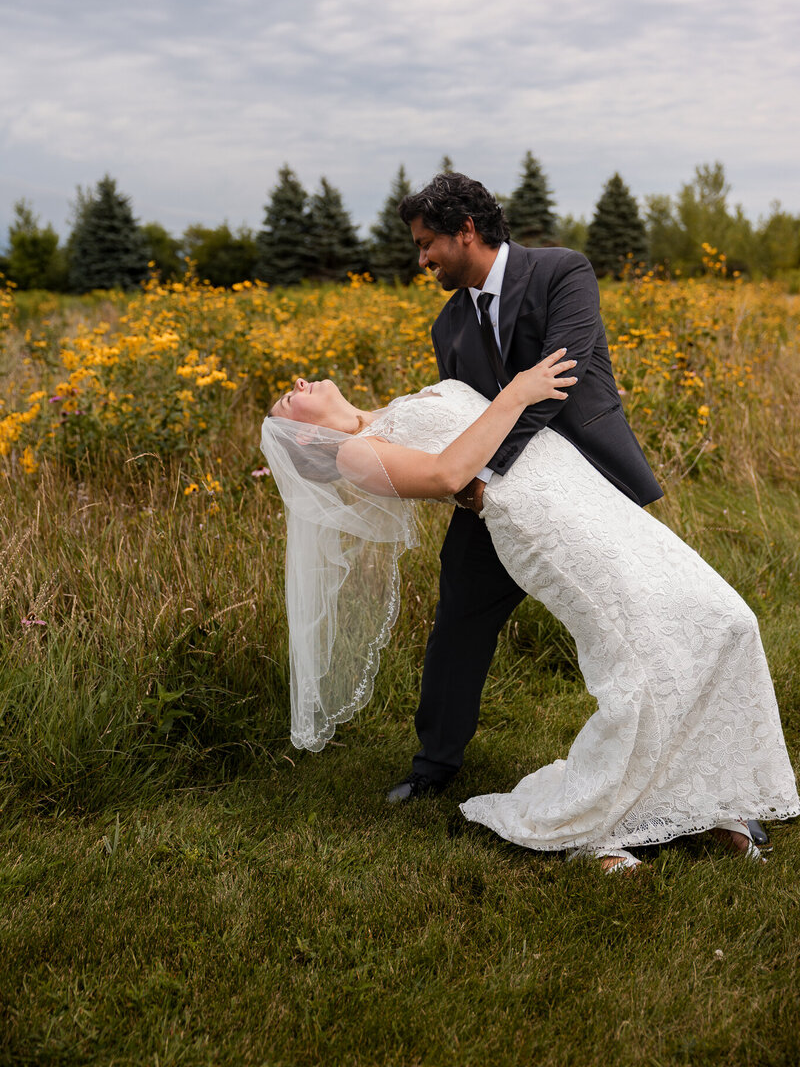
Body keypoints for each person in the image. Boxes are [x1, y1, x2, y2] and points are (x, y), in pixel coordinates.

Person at [261, 363, 799, 871]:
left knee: (727, 617)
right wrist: (517, 392)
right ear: (304, 439)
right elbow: (447, 473)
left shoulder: (390, 409)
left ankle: (707, 794)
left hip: (584, 493)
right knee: (638, 652)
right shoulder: (354, 454)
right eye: (290, 398)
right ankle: (596, 831)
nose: (300, 382)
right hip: (541, 520)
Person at [388, 172, 663, 806]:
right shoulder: (447, 327)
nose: (422, 259)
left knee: (641, 623)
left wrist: (482, 471)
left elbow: (557, 380)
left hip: (591, 482)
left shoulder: (563, 272)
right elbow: (465, 417)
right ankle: (434, 764)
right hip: (500, 504)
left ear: (467, 231)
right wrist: (470, 480)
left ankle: (670, 762)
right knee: (458, 617)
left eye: (428, 243)